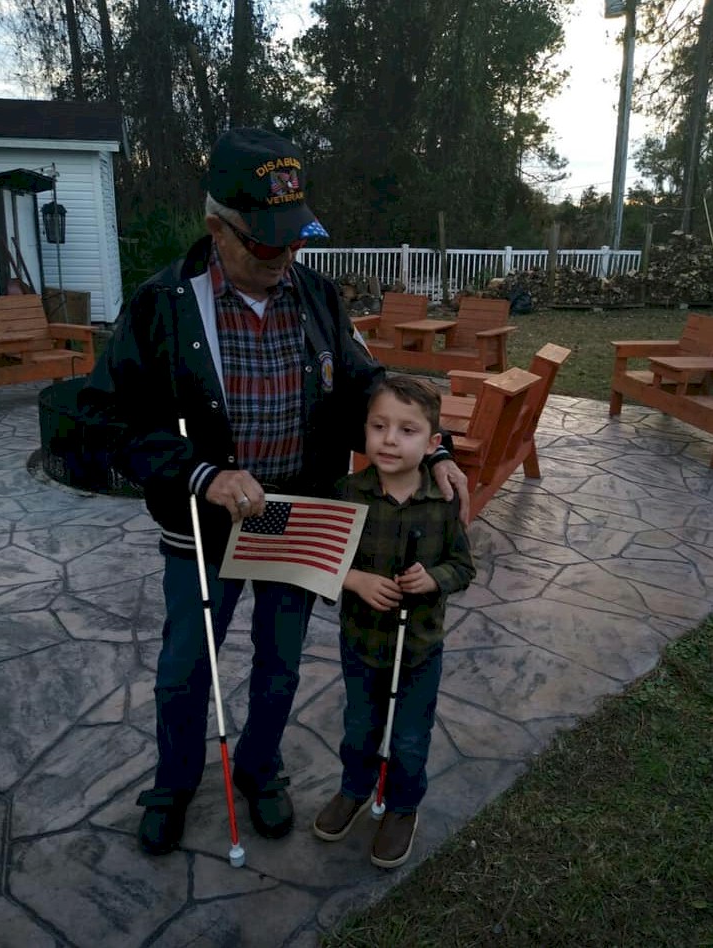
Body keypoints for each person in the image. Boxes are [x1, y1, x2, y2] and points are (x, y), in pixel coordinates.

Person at [78, 126, 470, 856]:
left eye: (294, 238)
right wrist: (201, 473)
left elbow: (367, 389)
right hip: (205, 520)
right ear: (215, 228)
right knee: (184, 667)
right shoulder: (163, 303)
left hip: (295, 515)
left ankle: (261, 771)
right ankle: (173, 784)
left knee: (281, 663)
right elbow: (107, 418)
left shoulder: (315, 296)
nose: (285, 256)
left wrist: (436, 446)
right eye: (265, 242)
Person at [313, 375, 475, 868]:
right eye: (379, 426)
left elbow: (464, 567)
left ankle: (402, 807)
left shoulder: (443, 501)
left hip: (421, 647)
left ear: (431, 444)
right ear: (364, 431)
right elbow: (325, 559)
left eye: (406, 430)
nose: (389, 439)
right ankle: (354, 789)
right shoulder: (347, 492)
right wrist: (356, 580)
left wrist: (434, 579)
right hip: (361, 642)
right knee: (360, 726)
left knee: (408, 736)